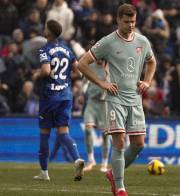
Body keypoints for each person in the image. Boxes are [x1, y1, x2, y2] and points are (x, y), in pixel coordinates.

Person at [77, 4, 156, 196]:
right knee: (119, 142)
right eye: (127, 21)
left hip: (135, 100)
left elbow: (151, 61)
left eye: (133, 21)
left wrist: (147, 81)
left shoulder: (143, 41)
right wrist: (102, 83)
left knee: (138, 144)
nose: (130, 25)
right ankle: (120, 187)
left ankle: (113, 173)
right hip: (115, 99)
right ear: (118, 20)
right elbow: (82, 63)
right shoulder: (108, 42)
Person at [33, 19, 84, 181]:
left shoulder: (45, 49)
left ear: (48, 32)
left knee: (44, 134)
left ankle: (44, 172)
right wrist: (65, 78)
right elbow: (79, 73)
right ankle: (77, 159)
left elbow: (46, 70)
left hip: (49, 97)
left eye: (45, 27)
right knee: (63, 132)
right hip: (65, 96)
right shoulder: (67, 49)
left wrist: (37, 75)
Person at [82, 59, 111, 173]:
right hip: (91, 102)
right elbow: (85, 82)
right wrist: (82, 93)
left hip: (104, 104)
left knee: (105, 134)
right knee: (88, 129)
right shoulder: (91, 66)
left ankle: (104, 163)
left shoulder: (110, 68)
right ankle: (91, 160)